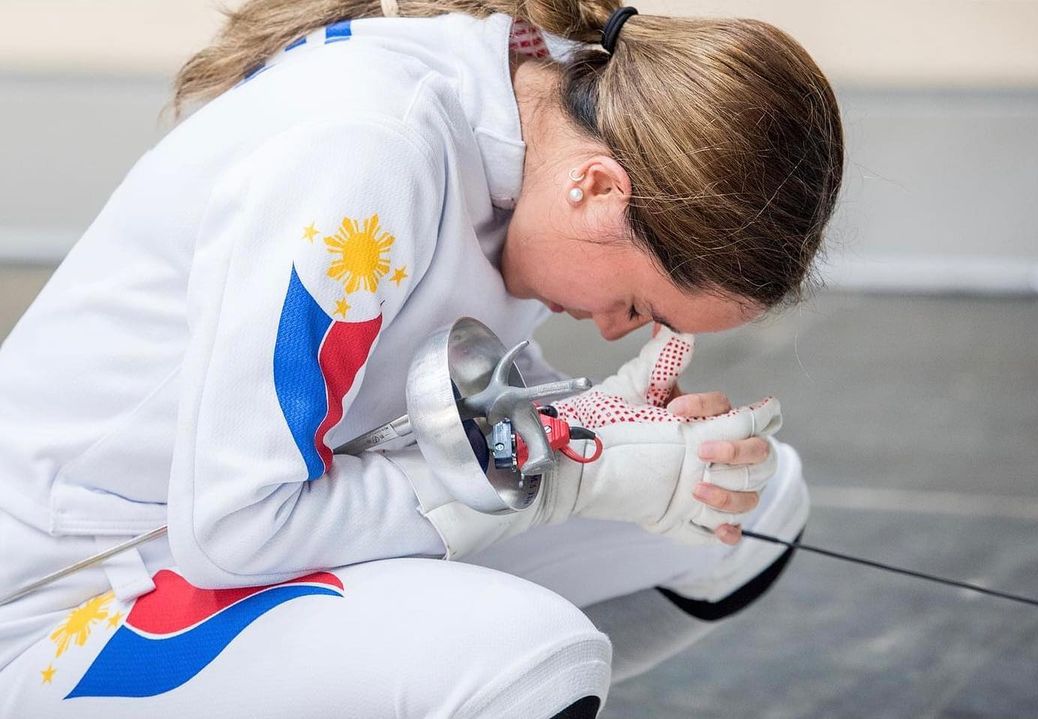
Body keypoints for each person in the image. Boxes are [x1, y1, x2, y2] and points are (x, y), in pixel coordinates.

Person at [0, 1, 843, 716]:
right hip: (72, 594)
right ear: (598, 189)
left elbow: (406, 405)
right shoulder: (366, 155)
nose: (618, 329)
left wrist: (603, 425)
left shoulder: (539, 117)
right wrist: (566, 468)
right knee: (528, 659)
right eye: (639, 304)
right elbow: (238, 525)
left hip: (215, 539)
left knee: (747, 503)